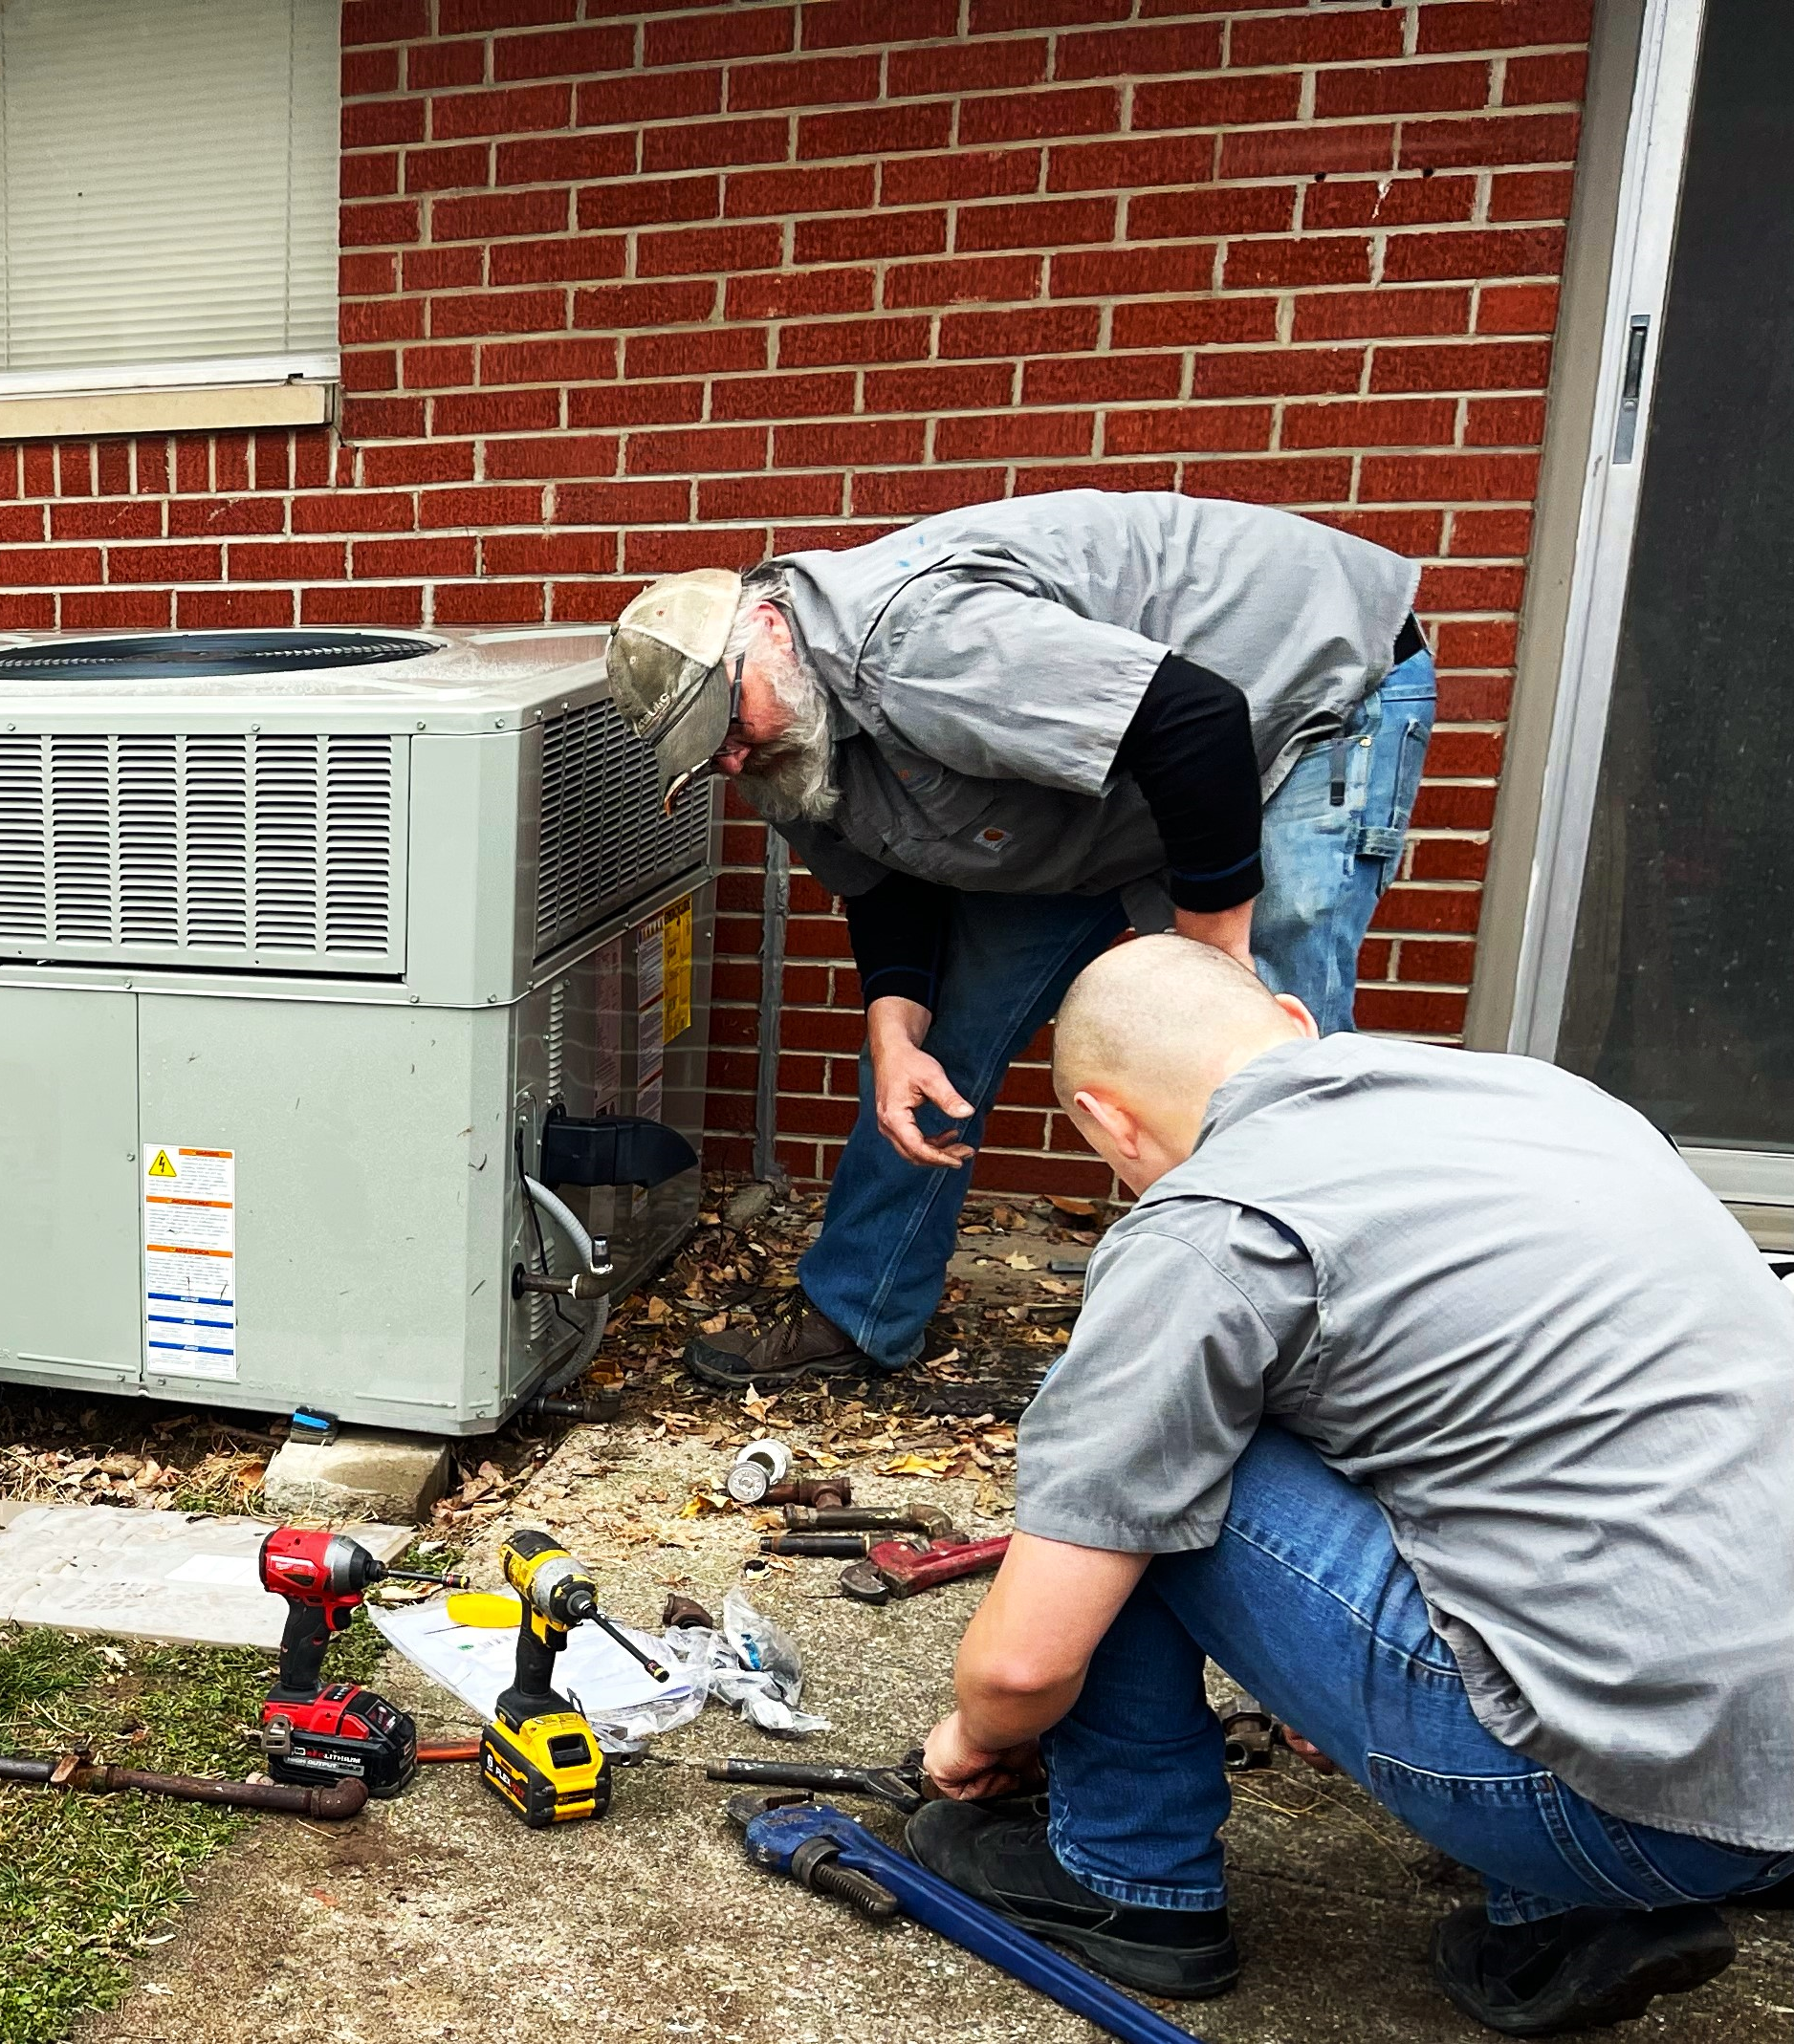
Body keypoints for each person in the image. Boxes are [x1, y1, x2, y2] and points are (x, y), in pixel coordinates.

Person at [905, 935, 1794, 2034]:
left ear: (1111, 1121)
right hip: (1776, 1783)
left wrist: (974, 1737)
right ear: (1291, 1018)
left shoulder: (1211, 1227)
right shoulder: (1546, 1098)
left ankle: (1129, 1878)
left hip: (1619, 1807)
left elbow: (1026, 1662)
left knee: (1151, 1437)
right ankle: (1563, 1910)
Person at [602, 489, 1434, 1389]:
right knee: (933, 1043)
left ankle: (1309, 1359)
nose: (728, 758)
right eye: (705, 753)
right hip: (1116, 774)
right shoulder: (777, 741)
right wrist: (893, 1032)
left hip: (1299, 696)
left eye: (726, 726)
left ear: (767, 630)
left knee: (1257, 1050)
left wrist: (1207, 968)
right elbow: (888, 877)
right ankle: (860, 1310)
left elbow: (1196, 723)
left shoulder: (916, 645)